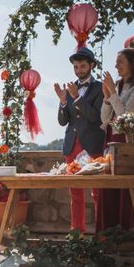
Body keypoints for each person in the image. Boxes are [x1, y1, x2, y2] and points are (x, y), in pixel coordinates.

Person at [96, 47, 134, 231]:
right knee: (108, 189)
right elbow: (105, 119)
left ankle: (127, 235)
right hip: (111, 140)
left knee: (127, 190)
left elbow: (126, 117)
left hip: (130, 143)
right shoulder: (117, 86)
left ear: (133, 63)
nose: (116, 65)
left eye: (120, 62)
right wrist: (106, 98)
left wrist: (112, 93)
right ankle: (107, 236)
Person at [54, 47, 105, 233]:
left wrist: (76, 97)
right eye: (76, 67)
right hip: (72, 144)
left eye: (82, 66)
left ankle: (102, 235)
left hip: (93, 145)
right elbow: (62, 121)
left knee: (98, 192)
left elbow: (96, 117)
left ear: (91, 65)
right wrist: (63, 102)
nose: (79, 70)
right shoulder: (69, 88)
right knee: (75, 193)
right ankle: (77, 233)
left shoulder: (100, 88)